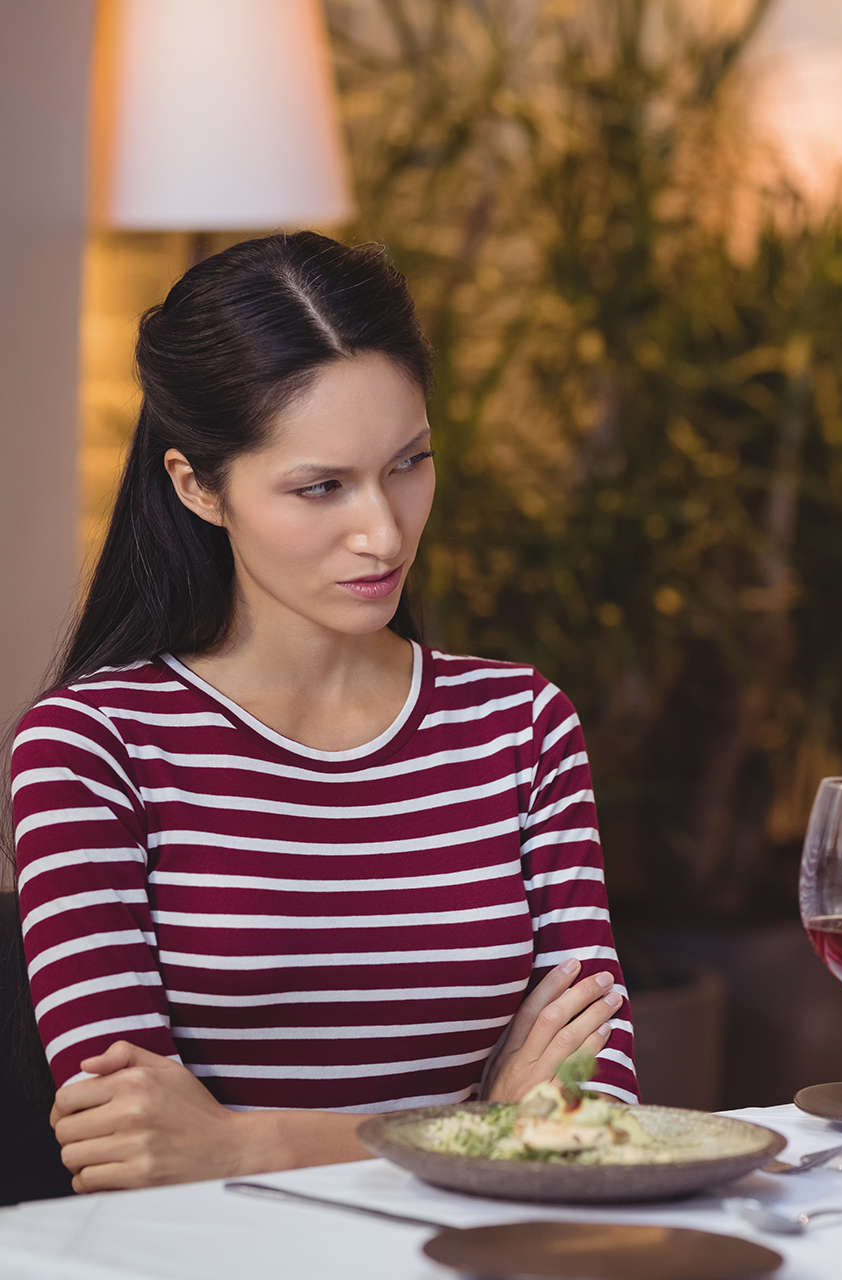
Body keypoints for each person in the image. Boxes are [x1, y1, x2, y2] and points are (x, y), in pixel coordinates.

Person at [7, 232, 636, 1193]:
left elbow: (593, 1114)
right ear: (196, 486)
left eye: (409, 463)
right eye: (320, 487)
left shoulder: (521, 728)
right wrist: (485, 1124)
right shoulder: (90, 751)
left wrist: (248, 1147)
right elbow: (133, 1150)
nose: (383, 531)